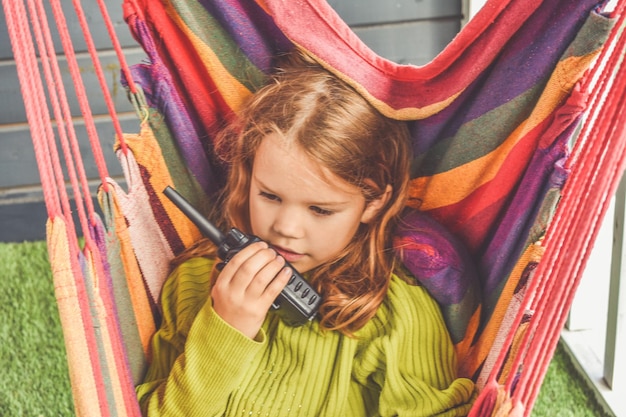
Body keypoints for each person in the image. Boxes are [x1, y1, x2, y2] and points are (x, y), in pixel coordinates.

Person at [136, 50, 476, 416]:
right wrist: (225, 329)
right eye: (269, 195)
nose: (285, 228)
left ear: (374, 202)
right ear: (248, 177)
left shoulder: (393, 312)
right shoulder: (195, 282)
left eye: (320, 209)